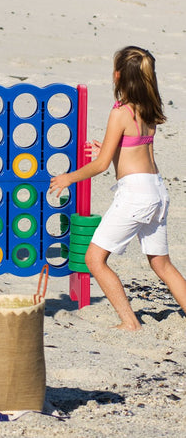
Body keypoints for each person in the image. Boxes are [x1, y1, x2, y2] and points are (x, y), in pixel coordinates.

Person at [49, 46, 186, 331]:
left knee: (94, 259)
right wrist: (110, 151)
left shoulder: (120, 112)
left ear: (118, 75)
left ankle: (129, 322)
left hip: (135, 195)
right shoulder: (148, 110)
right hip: (156, 190)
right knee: (162, 265)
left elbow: (99, 166)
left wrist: (68, 178)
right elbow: (134, 152)